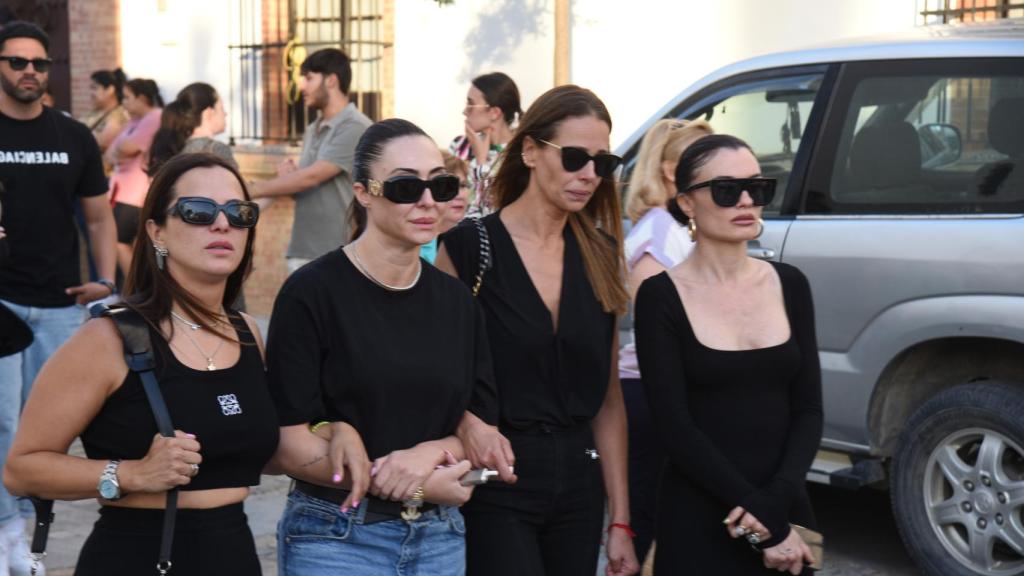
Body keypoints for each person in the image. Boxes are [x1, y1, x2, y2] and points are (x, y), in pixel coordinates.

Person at [3, 153, 278, 575]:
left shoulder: (247, 333)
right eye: (198, 211)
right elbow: (22, 469)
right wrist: (131, 473)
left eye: (239, 213)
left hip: (235, 557)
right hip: (137, 558)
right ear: (156, 231)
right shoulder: (108, 339)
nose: (222, 224)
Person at [265, 118, 494, 575]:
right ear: (363, 192)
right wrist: (412, 484)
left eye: (441, 185)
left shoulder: (456, 302)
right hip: (336, 535)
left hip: (439, 538)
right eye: (406, 187)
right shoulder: (311, 293)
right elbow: (284, 442)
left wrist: (425, 457)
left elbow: (478, 426)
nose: (428, 201)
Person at [437, 84, 639, 576]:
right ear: (529, 151)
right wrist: (469, 425)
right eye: (573, 158)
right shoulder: (468, 248)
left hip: (579, 482)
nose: (589, 175)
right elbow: (436, 376)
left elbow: (609, 397)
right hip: (496, 478)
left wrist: (622, 523)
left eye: (603, 163)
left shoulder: (602, 252)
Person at [633, 134, 823, 575]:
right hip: (700, 513)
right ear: (686, 203)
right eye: (725, 190)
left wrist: (775, 507)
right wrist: (764, 518)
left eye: (757, 189)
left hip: (786, 507)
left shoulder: (790, 283)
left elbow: (809, 408)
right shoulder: (661, 296)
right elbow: (674, 426)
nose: (745, 201)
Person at [0, 21, 117, 574]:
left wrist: (107, 279)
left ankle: (27, 529)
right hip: (1, 303)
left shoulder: (73, 138)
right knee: (1, 423)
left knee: (47, 434)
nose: (28, 71)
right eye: (17, 61)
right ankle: (11, 541)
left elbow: (99, 216)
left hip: (61, 304)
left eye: (38, 64)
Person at [618, 118, 711, 564]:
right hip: (649, 394)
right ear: (673, 172)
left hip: (677, 391)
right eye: (707, 165)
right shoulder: (657, 233)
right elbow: (660, 331)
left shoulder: (684, 228)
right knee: (645, 523)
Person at [249, 48, 372, 273]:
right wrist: (289, 177)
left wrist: (251, 189)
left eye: (308, 78)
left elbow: (313, 176)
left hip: (338, 253)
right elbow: (304, 185)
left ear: (331, 81)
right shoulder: (311, 129)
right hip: (302, 250)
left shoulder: (355, 126)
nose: (302, 86)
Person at [106, 78, 163, 277]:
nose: (124, 102)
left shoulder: (155, 117)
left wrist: (121, 151)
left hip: (135, 193)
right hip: (121, 192)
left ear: (142, 98)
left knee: (120, 242)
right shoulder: (134, 121)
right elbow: (111, 152)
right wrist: (120, 152)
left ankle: (136, 289)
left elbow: (128, 148)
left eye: (128, 98)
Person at [449, 72, 521, 218]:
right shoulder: (459, 146)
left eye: (471, 104)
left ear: (494, 112)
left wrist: (481, 161)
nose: (464, 111)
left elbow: (492, 211)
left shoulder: (519, 155)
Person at [147, 82, 234, 177]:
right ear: (208, 113)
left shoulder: (176, 149)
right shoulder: (217, 150)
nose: (225, 113)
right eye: (221, 108)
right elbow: (234, 189)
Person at [420, 150, 469, 263]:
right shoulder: (414, 244)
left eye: (463, 185)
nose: (459, 195)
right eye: (448, 186)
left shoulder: (472, 240)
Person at [80, 69, 130, 163]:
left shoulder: (119, 114)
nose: (91, 93)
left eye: (94, 88)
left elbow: (102, 143)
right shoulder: (93, 112)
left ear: (110, 90)